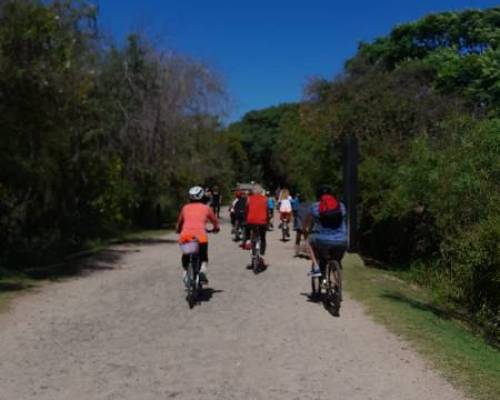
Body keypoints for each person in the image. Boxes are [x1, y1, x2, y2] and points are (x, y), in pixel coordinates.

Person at [306, 185, 347, 288]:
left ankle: (316, 267)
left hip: (322, 240)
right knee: (336, 259)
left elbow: (308, 223)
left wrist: (306, 231)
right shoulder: (341, 206)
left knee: (308, 242)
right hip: (341, 240)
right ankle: (336, 274)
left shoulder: (315, 207)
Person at [176, 186, 220, 283]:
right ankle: (202, 271)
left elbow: (179, 222)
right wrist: (216, 228)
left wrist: (178, 230)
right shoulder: (206, 208)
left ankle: (185, 271)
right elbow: (215, 221)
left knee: (186, 254)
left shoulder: (185, 208)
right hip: (200, 236)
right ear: (202, 196)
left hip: (185, 236)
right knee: (203, 257)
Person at [244, 184, 269, 266]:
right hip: (262, 222)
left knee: (247, 228)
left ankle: (247, 240)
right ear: (261, 191)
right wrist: (267, 221)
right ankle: (262, 253)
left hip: (251, 222)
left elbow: (246, 209)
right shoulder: (265, 199)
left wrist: (246, 218)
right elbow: (267, 211)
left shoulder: (249, 198)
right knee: (263, 237)